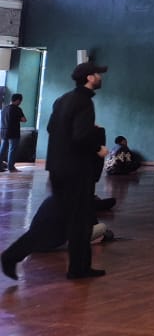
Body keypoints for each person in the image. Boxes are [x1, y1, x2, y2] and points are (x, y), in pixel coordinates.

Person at [2, 62, 110, 281]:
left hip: (59, 168)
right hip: (76, 170)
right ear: (89, 78)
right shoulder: (84, 103)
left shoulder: (63, 100)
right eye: (97, 74)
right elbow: (80, 136)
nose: (100, 77)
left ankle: (79, 268)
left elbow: (52, 128)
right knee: (66, 221)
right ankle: (11, 255)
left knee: (75, 221)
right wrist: (98, 148)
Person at [2, 92, 27, 171]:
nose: (20, 103)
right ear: (18, 100)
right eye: (20, 101)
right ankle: (11, 167)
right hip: (13, 132)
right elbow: (24, 120)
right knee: (12, 149)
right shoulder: (17, 109)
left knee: (3, 148)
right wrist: (18, 118)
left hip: (3, 131)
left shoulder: (4, 108)